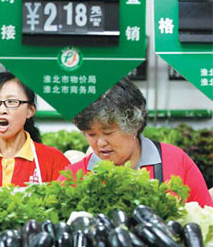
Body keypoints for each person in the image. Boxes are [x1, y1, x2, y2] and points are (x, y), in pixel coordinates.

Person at [59, 77, 212, 207]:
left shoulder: (175, 160)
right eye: (91, 134)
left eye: (108, 133)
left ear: (134, 125)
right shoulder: (73, 177)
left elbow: (205, 215)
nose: (100, 143)